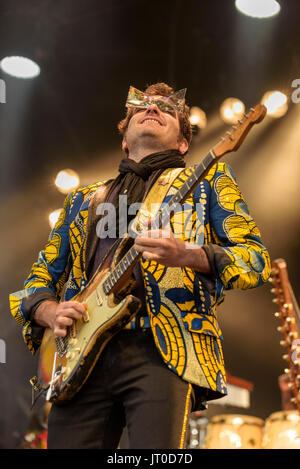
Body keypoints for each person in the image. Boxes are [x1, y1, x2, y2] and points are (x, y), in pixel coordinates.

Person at [9, 82, 271, 449]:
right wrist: (48, 311)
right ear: (124, 138)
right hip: (81, 362)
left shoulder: (208, 182)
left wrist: (189, 255)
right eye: (141, 107)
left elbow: (255, 260)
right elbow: (35, 279)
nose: (152, 108)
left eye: (167, 108)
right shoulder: (82, 200)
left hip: (163, 350)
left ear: (183, 143)